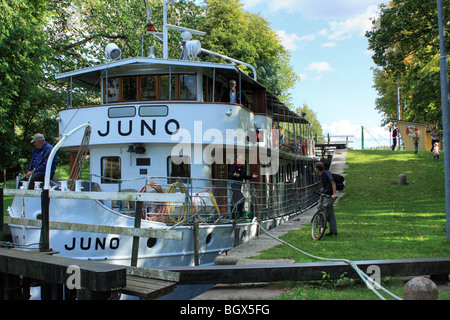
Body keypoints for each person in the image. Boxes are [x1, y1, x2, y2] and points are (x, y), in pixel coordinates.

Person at [228, 154, 257, 218]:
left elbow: (244, 176)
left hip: (239, 187)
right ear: (236, 159)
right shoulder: (233, 166)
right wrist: (234, 175)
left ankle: (232, 215)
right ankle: (239, 214)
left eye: (242, 159)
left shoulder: (242, 167)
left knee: (234, 201)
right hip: (234, 186)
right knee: (242, 198)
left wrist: (251, 176)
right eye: (240, 159)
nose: (241, 160)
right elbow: (229, 175)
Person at [314, 161, 337, 236]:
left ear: (317, 169)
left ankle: (321, 225)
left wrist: (334, 194)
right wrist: (324, 189)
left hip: (329, 196)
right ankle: (333, 231)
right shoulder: (323, 175)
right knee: (330, 213)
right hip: (326, 194)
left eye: (315, 168)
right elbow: (328, 184)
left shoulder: (326, 174)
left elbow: (333, 182)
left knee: (321, 207)